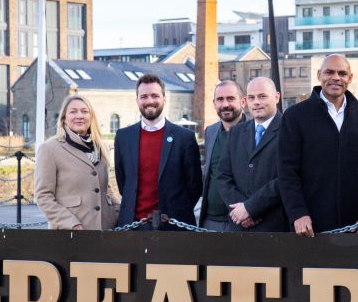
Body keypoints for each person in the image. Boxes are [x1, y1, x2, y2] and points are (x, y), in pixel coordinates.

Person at [277, 54, 358, 236]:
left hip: (354, 228)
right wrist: (298, 213)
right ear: (319, 75)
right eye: (329, 72)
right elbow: (286, 171)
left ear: (350, 78)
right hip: (308, 227)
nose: (336, 77)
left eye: (342, 73)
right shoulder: (295, 116)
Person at [114, 74, 202, 230]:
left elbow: (194, 186)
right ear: (137, 100)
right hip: (133, 226)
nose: (149, 101)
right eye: (144, 96)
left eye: (155, 95)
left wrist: (177, 210)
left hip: (174, 226)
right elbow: (123, 184)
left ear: (164, 98)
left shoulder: (184, 138)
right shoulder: (123, 137)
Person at [34, 95, 118, 230]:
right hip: (70, 232)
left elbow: (105, 187)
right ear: (64, 119)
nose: (79, 116)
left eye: (84, 111)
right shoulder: (50, 148)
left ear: (91, 117)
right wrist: (70, 223)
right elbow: (43, 196)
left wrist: (118, 211)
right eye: (73, 111)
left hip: (105, 229)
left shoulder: (101, 147)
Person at [216, 77, 289, 231]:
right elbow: (223, 177)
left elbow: (286, 177)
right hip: (239, 226)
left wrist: (251, 208)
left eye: (262, 96)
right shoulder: (236, 132)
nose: (256, 102)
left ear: (276, 97)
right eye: (251, 97)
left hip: (274, 227)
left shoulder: (290, 131)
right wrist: (240, 211)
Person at [198, 80, 246, 231]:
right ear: (214, 103)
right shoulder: (211, 131)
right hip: (210, 220)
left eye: (231, 99)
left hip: (242, 221)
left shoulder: (254, 131)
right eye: (220, 99)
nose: (225, 104)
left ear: (243, 101)